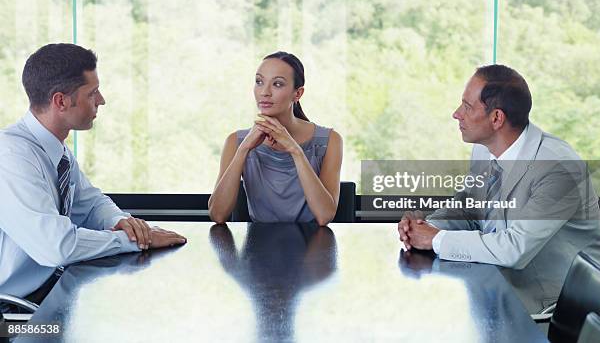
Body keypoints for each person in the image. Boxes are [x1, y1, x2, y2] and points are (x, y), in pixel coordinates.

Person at [397, 64, 600, 310]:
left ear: (496, 118)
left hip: (554, 310)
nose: (456, 114)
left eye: (467, 106)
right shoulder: (485, 150)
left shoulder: (558, 167)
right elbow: (468, 208)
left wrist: (437, 240)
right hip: (497, 290)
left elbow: (514, 248)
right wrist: (426, 227)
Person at [0, 43, 187, 302]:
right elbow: (58, 247)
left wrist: (121, 222)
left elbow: (90, 204)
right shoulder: (11, 156)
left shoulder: (55, 150)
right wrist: (135, 241)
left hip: (47, 293)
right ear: (61, 101)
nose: (101, 100)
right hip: (13, 313)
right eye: (92, 93)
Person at [208, 51, 343, 225]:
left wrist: (295, 150)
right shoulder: (236, 142)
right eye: (259, 82)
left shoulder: (330, 140)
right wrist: (243, 151)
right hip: (258, 248)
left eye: (277, 84)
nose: (264, 92)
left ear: (298, 94)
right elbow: (217, 215)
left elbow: (324, 216)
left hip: (312, 247)